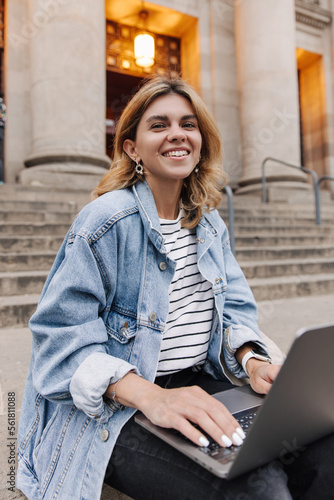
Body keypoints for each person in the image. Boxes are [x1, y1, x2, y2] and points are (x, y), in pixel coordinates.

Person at [17, 76, 334, 500]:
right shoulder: (106, 221)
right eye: (159, 124)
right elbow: (58, 344)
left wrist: (253, 361)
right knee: (260, 491)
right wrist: (152, 398)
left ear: (201, 139)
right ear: (132, 148)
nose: (177, 135)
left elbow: (236, 311)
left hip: (198, 382)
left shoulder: (208, 223)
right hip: (119, 408)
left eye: (188, 123)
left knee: (326, 450)